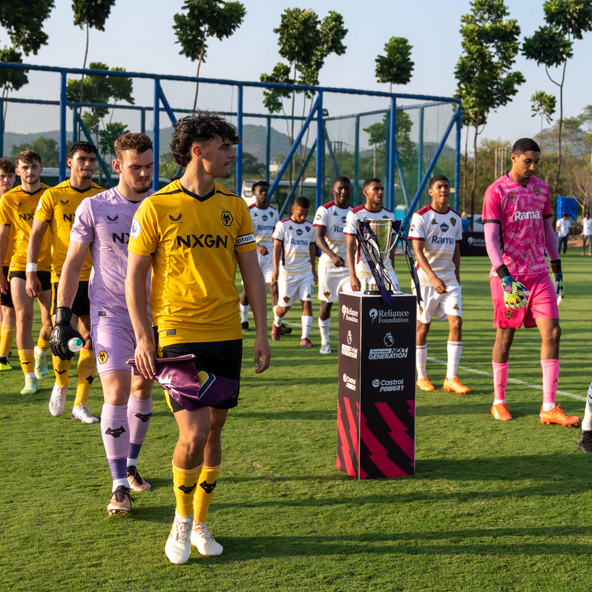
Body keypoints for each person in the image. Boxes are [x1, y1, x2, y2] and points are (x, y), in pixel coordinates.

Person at [126, 113, 271, 565]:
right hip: (176, 331)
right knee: (195, 430)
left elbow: (251, 270)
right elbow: (135, 277)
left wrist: (262, 331)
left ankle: (201, 522)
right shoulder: (156, 206)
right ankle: (181, 520)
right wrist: (143, 338)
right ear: (198, 151)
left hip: (227, 331)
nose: (232, 154)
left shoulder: (235, 205)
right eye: (225, 146)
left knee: (215, 431)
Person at [50, 133, 155, 515]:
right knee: (116, 391)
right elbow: (73, 264)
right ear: (117, 166)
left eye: (148, 166)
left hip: (155, 315)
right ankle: (118, 486)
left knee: (143, 388)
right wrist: (61, 317)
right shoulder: (94, 207)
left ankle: (130, 465)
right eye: (135, 167)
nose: (143, 173)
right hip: (109, 312)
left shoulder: (160, 207)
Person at [482, 137, 579, 426]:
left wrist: (557, 267)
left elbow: (548, 229)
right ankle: (498, 402)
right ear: (513, 159)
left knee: (553, 333)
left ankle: (549, 406)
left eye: (536, 162)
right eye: (528, 161)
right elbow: (489, 239)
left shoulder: (541, 188)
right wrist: (504, 277)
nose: (532, 167)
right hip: (510, 276)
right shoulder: (496, 191)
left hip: (539, 274)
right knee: (505, 338)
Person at [28, 141, 104, 423]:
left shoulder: (103, 196)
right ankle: (60, 384)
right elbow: (36, 234)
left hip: (98, 280)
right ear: (70, 162)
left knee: (91, 342)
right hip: (64, 278)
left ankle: (80, 404)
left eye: (92, 160)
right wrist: (32, 271)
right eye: (82, 159)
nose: (88, 165)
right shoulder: (53, 195)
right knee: (63, 338)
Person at [408, 175, 470, 394]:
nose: (444, 190)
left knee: (456, 323)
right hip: (425, 281)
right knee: (423, 328)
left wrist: (457, 278)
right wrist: (433, 277)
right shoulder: (421, 217)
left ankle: (451, 377)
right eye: (439, 187)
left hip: (450, 282)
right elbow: (417, 251)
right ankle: (421, 376)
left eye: (446, 187)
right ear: (431, 191)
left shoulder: (455, 218)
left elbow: (456, 251)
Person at [0, 151, 53, 395]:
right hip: (19, 265)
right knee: (23, 318)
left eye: (34, 166)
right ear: (17, 172)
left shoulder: (51, 195)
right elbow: (3, 236)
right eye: (24, 167)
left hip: (49, 266)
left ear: (41, 169)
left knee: (51, 322)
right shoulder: (8, 199)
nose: (29, 171)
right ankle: (29, 376)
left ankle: (42, 353)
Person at [239, 180, 290, 336]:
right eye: (260, 190)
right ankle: (243, 320)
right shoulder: (248, 211)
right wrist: (256, 246)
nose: (264, 193)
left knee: (274, 288)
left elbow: (276, 233)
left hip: (269, 256)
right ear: (254, 193)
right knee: (248, 290)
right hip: (252, 253)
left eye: (266, 190)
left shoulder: (273, 212)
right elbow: (243, 234)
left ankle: (277, 324)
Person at [270, 195, 317, 346]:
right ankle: (277, 325)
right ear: (293, 209)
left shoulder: (310, 227)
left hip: (305, 273)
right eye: (300, 213)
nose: (303, 217)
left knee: (307, 302)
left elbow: (311, 248)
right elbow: (276, 248)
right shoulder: (282, 225)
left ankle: (304, 338)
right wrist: (275, 269)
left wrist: (313, 269)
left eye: (306, 213)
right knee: (283, 308)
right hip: (287, 273)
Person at [313, 176, 353, 354]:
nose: (344, 191)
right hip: (329, 265)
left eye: (347, 188)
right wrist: (332, 255)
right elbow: (318, 238)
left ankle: (349, 340)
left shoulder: (355, 212)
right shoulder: (325, 210)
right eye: (341, 188)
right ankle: (325, 341)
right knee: (327, 304)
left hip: (350, 268)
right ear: (334, 190)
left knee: (351, 305)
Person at [343, 178, 399, 293]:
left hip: (386, 270)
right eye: (376, 189)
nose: (380, 192)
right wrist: (353, 276)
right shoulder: (354, 214)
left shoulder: (389, 215)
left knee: (394, 308)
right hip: (364, 271)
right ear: (366, 192)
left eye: (382, 189)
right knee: (365, 309)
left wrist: (392, 269)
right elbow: (350, 248)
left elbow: (390, 247)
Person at [0, 157, 17, 371]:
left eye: (9, 176)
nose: (6, 180)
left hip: (14, 262)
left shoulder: (17, 199)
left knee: (7, 310)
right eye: (2, 177)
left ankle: (4, 350)